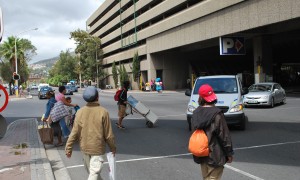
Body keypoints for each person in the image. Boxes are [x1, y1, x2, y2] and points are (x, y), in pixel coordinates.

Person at [65, 86, 116, 180]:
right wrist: (113, 148)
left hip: (84, 148)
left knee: (93, 172)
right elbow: (108, 135)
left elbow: (74, 132)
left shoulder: (80, 112)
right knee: (94, 173)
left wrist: (68, 148)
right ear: (97, 97)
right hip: (97, 149)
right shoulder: (103, 112)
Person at [191, 84, 234, 180]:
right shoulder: (217, 114)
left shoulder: (196, 113)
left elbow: (194, 132)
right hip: (215, 154)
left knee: (206, 177)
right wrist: (229, 153)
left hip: (201, 152)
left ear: (200, 97)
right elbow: (224, 136)